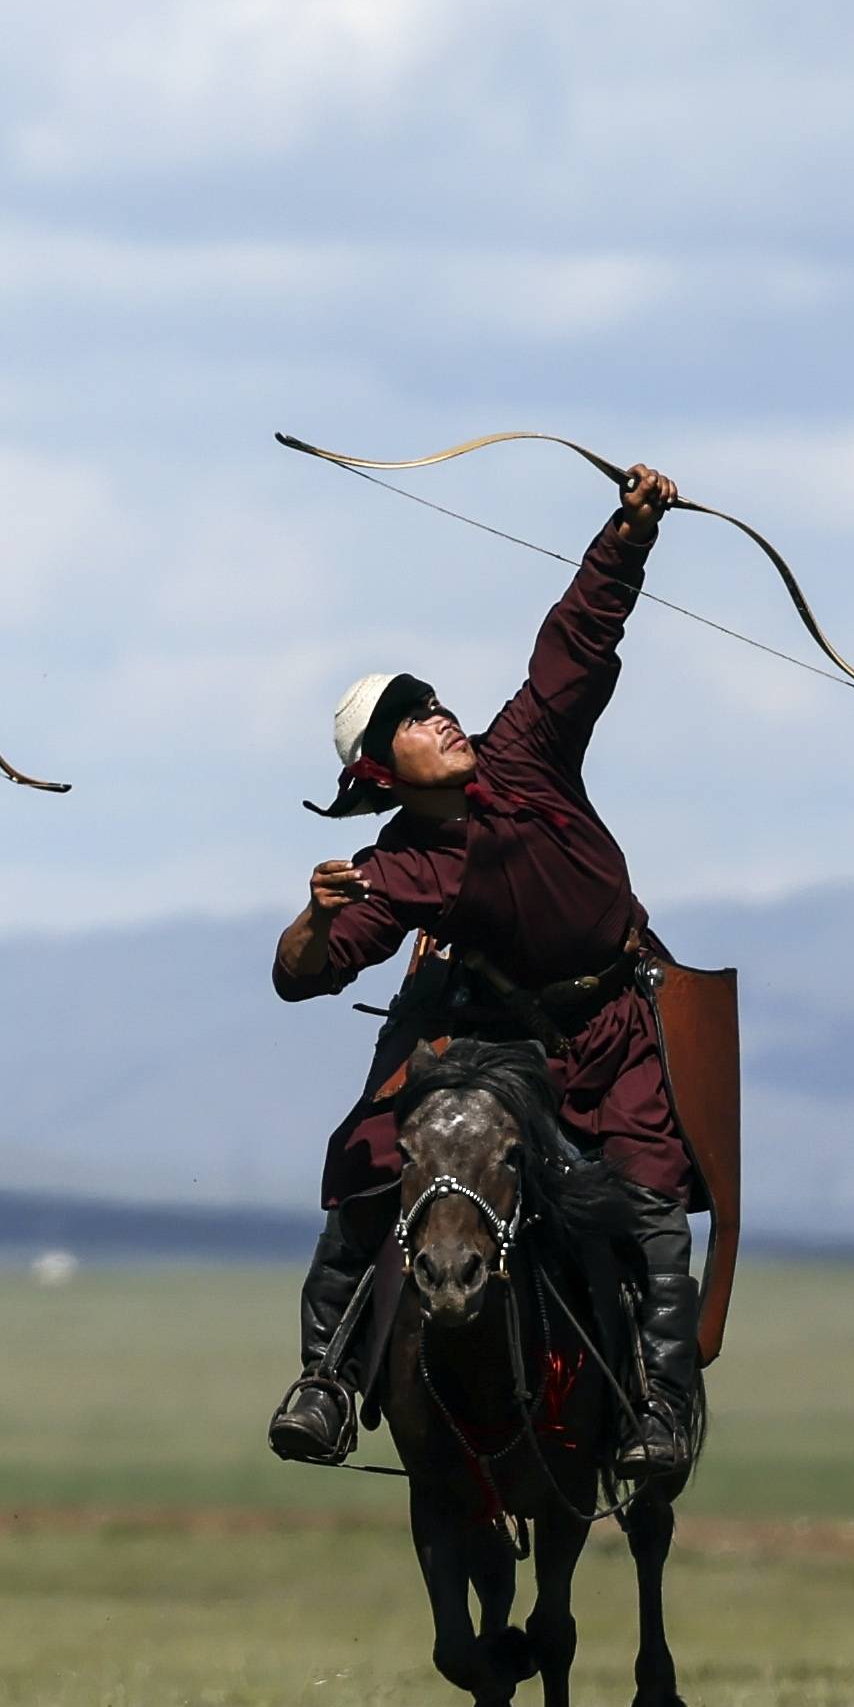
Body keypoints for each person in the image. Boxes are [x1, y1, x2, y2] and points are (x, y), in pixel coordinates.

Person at [265, 467, 709, 1478]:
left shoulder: (527, 749)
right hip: (512, 1041)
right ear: (380, 771)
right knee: (373, 1152)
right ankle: (325, 1383)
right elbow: (303, 975)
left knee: (648, 1199)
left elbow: (576, 636)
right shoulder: (393, 867)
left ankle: (661, 1410)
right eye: (415, 718)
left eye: (433, 700)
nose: (441, 714)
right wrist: (313, 917)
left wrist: (629, 524)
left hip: (622, 1022)